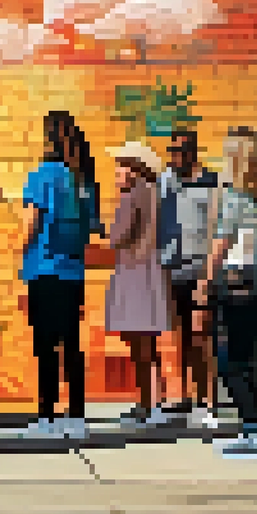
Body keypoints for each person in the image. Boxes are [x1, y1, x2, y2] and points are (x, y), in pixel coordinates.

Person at [199, 127, 257, 459]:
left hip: (235, 285)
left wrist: (204, 284)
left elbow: (220, 244)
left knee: (229, 361)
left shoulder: (234, 197)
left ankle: (251, 428)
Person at [19, 111, 101, 439]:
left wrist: (19, 250)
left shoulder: (42, 175)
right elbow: (92, 227)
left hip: (44, 267)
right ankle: (76, 414)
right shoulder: (82, 179)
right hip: (73, 271)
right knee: (71, 343)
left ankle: (47, 415)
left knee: (45, 345)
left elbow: (31, 223)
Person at [158, 128, 221, 428]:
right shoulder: (165, 183)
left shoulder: (211, 183)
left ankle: (207, 401)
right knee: (176, 336)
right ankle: (179, 397)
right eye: (170, 151)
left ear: (192, 152)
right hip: (171, 268)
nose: (173, 157)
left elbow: (218, 227)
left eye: (179, 151)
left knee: (201, 336)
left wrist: (210, 272)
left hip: (200, 270)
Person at [105, 142, 172, 427]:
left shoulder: (133, 195)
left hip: (135, 272)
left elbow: (118, 236)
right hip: (149, 270)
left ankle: (148, 403)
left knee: (140, 345)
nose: (117, 172)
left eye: (122, 166)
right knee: (148, 343)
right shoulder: (154, 193)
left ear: (135, 169)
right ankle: (153, 400)